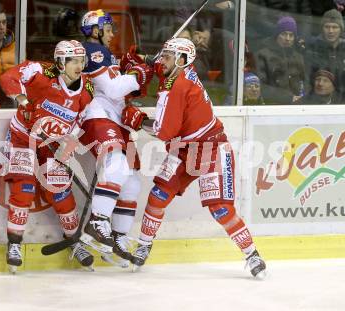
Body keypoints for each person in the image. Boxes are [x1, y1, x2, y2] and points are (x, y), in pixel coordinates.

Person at [124, 38, 266, 278]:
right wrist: (142, 57)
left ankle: (252, 254)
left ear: (181, 60)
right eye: (163, 54)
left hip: (212, 149)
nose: (162, 59)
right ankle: (144, 245)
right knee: (158, 195)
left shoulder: (177, 87)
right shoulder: (180, 70)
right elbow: (158, 67)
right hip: (183, 149)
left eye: (167, 56)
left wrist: (136, 120)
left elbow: (163, 131)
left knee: (220, 209)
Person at [0, 40, 95, 271]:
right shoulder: (40, 72)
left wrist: (67, 146)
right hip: (24, 136)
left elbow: (80, 121)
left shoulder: (87, 88)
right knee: (25, 188)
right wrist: (22, 99)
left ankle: (74, 241)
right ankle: (14, 244)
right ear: (61, 62)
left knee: (61, 192)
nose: (79, 65)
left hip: (52, 143)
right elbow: (7, 78)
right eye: (73, 60)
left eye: (81, 60)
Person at [77, 9, 152, 264]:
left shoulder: (106, 54)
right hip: (97, 116)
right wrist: (138, 73)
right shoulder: (91, 50)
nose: (111, 34)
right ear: (94, 31)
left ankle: (118, 238)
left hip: (114, 117)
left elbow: (119, 89)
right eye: (108, 29)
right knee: (117, 166)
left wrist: (132, 68)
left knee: (131, 182)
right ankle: (98, 222)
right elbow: (111, 88)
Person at [255, 16, 306, 104]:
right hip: (272, 105)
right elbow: (260, 86)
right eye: (284, 34)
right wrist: (288, 98)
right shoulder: (263, 55)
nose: (287, 38)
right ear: (277, 35)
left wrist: (302, 97)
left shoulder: (299, 57)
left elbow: (305, 83)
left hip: (298, 106)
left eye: (291, 35)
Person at [305, 9, 345, 100]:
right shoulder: (313, 48)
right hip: (319, 99)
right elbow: (307, 79)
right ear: (322, 28)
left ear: (341, 29)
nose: (330, 31)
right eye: (327, 27)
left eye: (335, 27)